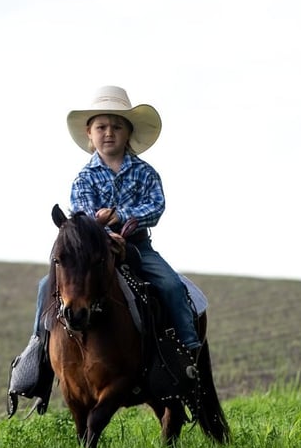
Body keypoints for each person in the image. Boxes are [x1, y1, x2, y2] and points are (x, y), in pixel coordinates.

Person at [30, 85, 203, 356]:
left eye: (116, 127)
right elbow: (81, 215)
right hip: (93, 250)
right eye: (101, 127)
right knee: (46, 287)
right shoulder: (83, 179)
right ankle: (38, 349)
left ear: (128, 133)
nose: (108, 133)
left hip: (137, 247)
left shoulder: (146, 173)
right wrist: (104, 235)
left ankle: (188, 347)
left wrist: (121, 216)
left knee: (171, 285)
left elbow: (156, 207)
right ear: (90, 133)